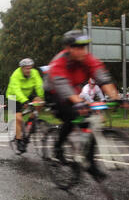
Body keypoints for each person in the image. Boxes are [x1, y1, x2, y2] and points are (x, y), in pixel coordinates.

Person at [44, 30, 123, 175]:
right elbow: (63, 88)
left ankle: (89, 162)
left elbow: (102, 78)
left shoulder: (88, 59)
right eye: (78, 48)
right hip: (54, 93)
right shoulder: (58, 63)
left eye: (84, 47)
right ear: (68, 48)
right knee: (71, 115)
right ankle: (57, 148)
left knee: (91, 123)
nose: (82, 51)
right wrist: (78, 102)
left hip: (73, 90)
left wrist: (116, 97)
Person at [6, 58, 44, 153]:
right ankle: (19, 141)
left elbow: (39, 85)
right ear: (21, 68)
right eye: (26, 68)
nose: (28, 70)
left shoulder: (34, 73)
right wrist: (24, 101)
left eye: (30, 68)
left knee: (39, 101)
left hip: (27, 94)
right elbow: (16, 89)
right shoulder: (15, 75)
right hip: (13, 96)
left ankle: (31, 121)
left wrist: (41, 96)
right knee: (18, 118)